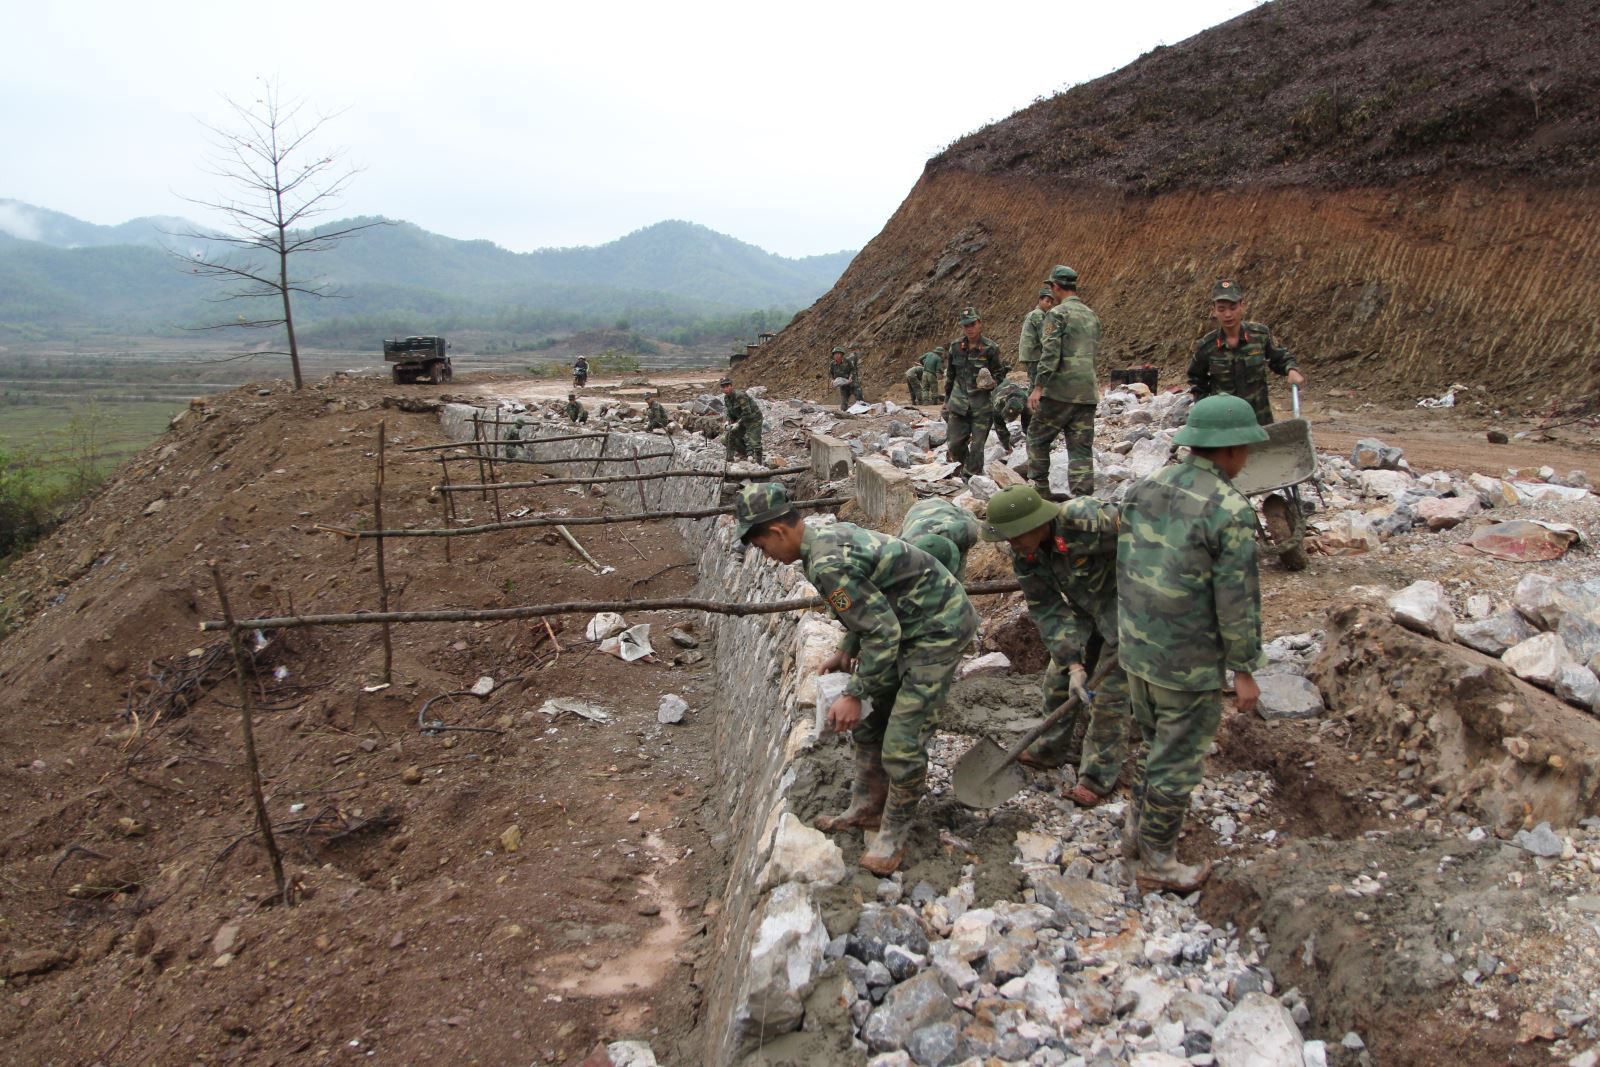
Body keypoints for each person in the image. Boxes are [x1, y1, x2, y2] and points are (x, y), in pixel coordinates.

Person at [735, 482, 978, 875]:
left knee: (902, 739)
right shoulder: (822, 544)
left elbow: (883, 633)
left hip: (938, 630)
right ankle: (867, 808)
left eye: (762, 547)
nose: (767, 557)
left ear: (778, 532)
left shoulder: (828, 563)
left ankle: (893, 834)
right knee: (869, 724)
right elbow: (868, 606)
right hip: (907, 622)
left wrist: (855, 691)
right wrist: (847, 647)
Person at [1117, 394, 1267, 894]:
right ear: (1230, 451)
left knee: (1150, 743)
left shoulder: (1144, 486)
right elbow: (1237, 598)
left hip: (1138, 651)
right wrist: (1243, 668)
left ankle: (1136, 830)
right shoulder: (1229, 510)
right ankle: (1158, 860)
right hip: (1188, 662)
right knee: (1176, 760)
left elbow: (1130, 566)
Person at [980, 485, 1129, 808]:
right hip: (1086, 611)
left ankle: (1096, 777)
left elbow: (1151, 536)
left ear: (1036, 523)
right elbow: (1046, 608)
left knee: (1108, 695)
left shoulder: (1088, 519)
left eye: (1015, 536)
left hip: (1131, 609)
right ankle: (1050, 748)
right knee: (1058, 679)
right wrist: (1074, 665)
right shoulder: (1025, 553)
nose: (1011, 544)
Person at [1187, 279, 1306, 425]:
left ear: (1242, 306)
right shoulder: (1207, 345)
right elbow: (1196, 379)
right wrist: (1205, 408)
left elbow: (1280, 358)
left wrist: (1291, 369)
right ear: (1214, 311)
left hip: (1259, 421)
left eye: (1233, 307)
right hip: (1225, 423)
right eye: (1222, 309)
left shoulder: (1260, 335)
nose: (1228, 314)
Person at [1028, 265, 1101, 498]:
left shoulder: (1057, 314)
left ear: (1055, 287)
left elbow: (1050, 353)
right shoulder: (1091, 315)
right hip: (1087, 392)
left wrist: (1038, 387)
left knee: (1037, 437)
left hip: (1060, 392)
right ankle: (1084, 503)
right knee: (1080, 450)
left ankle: (1041, 493)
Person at [943, 307, 1005, 478]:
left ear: (980, 324)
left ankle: (972, 478)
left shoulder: (990, 348)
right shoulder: (955, 347)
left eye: (972, 324)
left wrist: (993, 383)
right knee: (954, 444)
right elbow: (950, 375)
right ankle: (967, 466)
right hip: (959, 404)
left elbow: (1000, 373)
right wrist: (946, 400)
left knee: (977, 446)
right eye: (965, 325)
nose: (969, 328)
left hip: (981, 406)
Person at [898, 497, 979, 581]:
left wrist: (958, 584)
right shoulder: (904, 550)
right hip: (916, 513)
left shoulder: (962, 532)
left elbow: (970, 525)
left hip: (942, 507)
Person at [1017, 285, 1056, 389]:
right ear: (1040, 300)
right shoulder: (1038, 315)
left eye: (1051, 302)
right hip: (1034, 355)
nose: (1049, 304)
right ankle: (1033, 404)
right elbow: (1045, 337)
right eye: (1047, 301)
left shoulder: (1032, 314)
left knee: (1034, 382)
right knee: (1037, 384)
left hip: (1031, 354)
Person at [721, 377, 764, 465]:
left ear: (731, 386)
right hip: (742, 420)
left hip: (754, 419)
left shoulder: (740, 395)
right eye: (723, 387)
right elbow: (730, 413)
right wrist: (728, 421)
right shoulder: (726, 398)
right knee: (729, 436)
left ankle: (759, 464)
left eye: (727, 386)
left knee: (755, 442)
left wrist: (737, 423)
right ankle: (729, 461)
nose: (725, 389)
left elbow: (747, 412)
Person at [990, 377, 1029, 453]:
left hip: (1012, 390)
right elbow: (1000, 428)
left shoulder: (1026, 401)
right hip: (996, 388)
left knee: (1029, 426)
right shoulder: (997, 406)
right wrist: (1007, 447)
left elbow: (1029, 424)